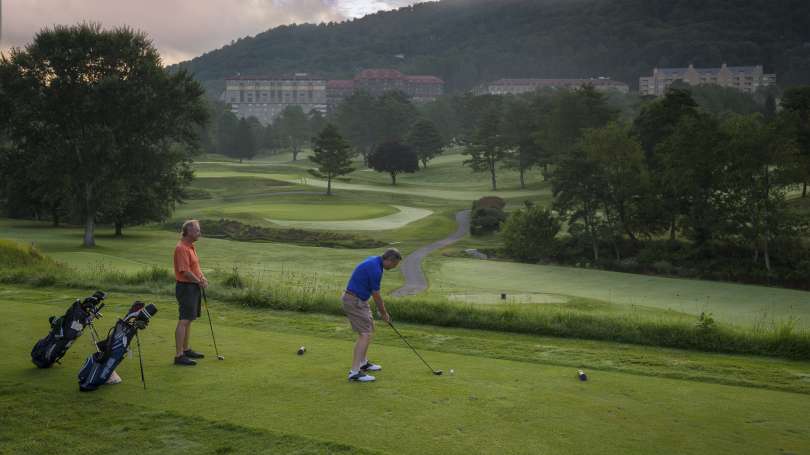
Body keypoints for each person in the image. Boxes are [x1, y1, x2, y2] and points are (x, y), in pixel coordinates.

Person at [342, 248, 402, 382]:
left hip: (360, 300)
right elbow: (376, 295)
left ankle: (363, 363)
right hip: (354, 301)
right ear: (389, 260)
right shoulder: (375, 270)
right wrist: (384, 313)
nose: (394, 267)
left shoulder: (375, 261)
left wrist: (381, 311)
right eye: (394, 264)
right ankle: (354, 372)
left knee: (368, 330)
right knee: (365, 334)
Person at [173, 219, 208, 366]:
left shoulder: (191, 247)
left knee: (189, 319)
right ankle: (179, 355)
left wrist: (202, 277)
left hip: (192, 287)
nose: (200, 232)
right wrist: (199, 281)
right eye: (197, 230)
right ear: (189, 231)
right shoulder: (181, 248)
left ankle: (186, 349)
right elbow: (185, 271)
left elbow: (195, 267)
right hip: (186, 287)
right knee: (184, 320)